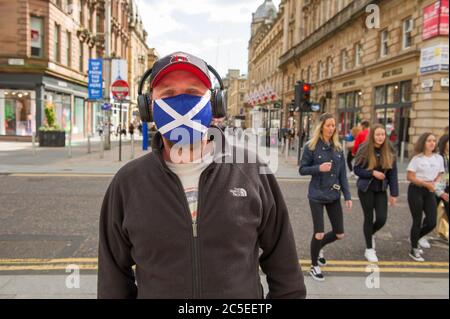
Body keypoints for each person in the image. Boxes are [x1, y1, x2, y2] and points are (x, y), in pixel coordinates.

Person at [98, 52, 306, 299]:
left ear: (214, 103)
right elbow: (113, 282)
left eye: (193, 93)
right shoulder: (127, 183)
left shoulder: (251, 170)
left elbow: (286, 273)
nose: (181, 102)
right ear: (148, 107)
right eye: (168, 94)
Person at [300, 113, 352, 282]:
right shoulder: (311, 146)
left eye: (333, 125)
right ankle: (314, 265)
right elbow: (302, 169)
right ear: (321, 126)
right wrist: (318, 168)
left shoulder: (337, 147)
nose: (331, 128)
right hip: (316, 195)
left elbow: (343, 174)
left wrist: (348, 196)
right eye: (328, 125)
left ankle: (318, 248)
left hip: (333, 195)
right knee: (319, 233)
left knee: (339, 233)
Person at [354, 124, 399, 262]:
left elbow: (393, 173)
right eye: (378, 134)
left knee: (381, 219)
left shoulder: (389, 149)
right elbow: (357, 170)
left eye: (383, 134)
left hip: (381, 189)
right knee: (368, 218)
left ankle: (370, 233)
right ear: (372, 135)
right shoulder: (364, 148)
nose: (380, 137)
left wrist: (394, 193)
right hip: (366, 189)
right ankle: (369, 249)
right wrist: (372, 172)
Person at [406, 132, 445, 262]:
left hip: (429, 191)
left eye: (434, 141)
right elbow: (409, 177)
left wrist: (436, 182)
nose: (432, 143)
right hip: (416, 190)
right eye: (429, 140)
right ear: (423, 142)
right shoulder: (417, 158)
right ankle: (413, 249)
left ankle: (414, 238)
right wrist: (425, 184)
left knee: (431, 222)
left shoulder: (438, 158)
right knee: (417, 220)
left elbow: (440, 173)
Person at [436, 134, 449, 219]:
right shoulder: (438, 157)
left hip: (447, 187)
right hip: (439, 187)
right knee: (431, 217)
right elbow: (441, 175)